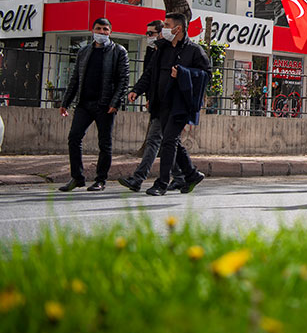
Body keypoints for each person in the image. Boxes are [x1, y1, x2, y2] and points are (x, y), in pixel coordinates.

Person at [127, 13, 210, 196]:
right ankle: (191, 174)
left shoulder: (194, 51)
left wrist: (183, 73)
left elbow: (205, 75)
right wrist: (136, 90)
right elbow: (149, 73)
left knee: (168, 141)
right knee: (171, 140)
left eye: (166, 24)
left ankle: (161, 183)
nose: (163, 28)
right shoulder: (161, 49)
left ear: (177, 28)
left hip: (180, 104)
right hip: (161, 102)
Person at [58, 18, 130, 192]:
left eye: (106, 29)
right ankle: (77, 177)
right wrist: (65, 102)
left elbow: (123, 80)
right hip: (84, 104)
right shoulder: (83, 52)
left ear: (110, 32)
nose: (102, 32)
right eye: (99, 29)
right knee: (74, 138)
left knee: (104, 144)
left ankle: (100, 180)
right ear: (92, 30)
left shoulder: (119, 51)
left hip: (105, 106)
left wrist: (115, 102)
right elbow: (75, 79)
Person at [117, 21, 185, 192]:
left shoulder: (174, 51)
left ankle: (138, 178)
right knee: (168, 143)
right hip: (158, 104)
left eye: (152, 33)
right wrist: (140, 92)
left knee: (156, 140)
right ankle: (182, 176)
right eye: (147, 33)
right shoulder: (153, 51)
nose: (149, 37)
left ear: (162, 33)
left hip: (169, 105)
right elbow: (149, 75)